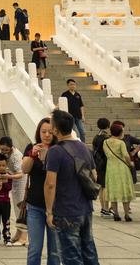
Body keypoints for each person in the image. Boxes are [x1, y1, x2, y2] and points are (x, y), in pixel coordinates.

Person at [44, 109, 99, 265]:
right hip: (85, 208)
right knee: (89, 253)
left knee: (71, 256)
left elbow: (50, 184)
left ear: (56, 130)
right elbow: (94, 176)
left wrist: (49, 211)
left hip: (66, 210)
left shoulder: (55, 151)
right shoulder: (84, 148)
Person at [24, 117, 61, 265]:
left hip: (55, 206)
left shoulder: (58, 150)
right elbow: (24, 169)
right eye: (43, 131)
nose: (46, 135)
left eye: (50, 132)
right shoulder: (32, 147)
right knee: (34, 249)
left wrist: (47, 159)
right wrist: (32, 155)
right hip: (35, 205)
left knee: (55, 251)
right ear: (38, 132)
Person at [102, 123, 134, 222]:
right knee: (125, 189)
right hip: (122, 168)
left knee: (113, 190)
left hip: (111, 168)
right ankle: (126, 214)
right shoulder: (121, 143)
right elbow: (126, 155)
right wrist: (130, 163)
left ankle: (116, 214)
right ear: (120, 132)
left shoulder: (105, 142)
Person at [0, 136, 28, 245]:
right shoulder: (3, 152)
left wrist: (9, 176)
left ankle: (24, 236)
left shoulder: (16, 156)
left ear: (11, 147)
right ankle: (18, 234)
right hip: (14, 180)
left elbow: (21, 174)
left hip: (21, 182)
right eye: (2, 149)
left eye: (6, 150)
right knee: (16, 208)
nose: (4, 152)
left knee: (22, 208)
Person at [90, 118, 111, 218]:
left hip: (97, 163)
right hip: (105, 163)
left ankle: (103, 208)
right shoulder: (106, 138)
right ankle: (106, 209)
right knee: (105, 187)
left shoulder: (96, 137)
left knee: (101, 187)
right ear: (108, 126)